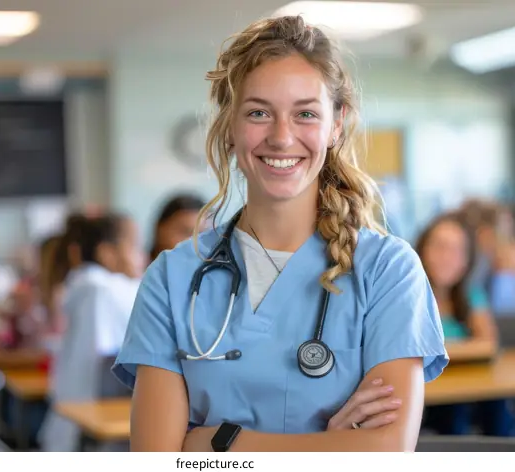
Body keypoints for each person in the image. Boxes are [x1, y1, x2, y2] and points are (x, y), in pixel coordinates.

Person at [113, 15, 448, 452]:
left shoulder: (387, 271)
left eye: (305, 113)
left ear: (336, 124)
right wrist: (326, 449)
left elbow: (384, 453)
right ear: (230, 125)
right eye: (258, 113)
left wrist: (221, 444)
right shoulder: (171, 280)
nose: (281, 136)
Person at [39, 213, 144, 451]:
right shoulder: (105, 290)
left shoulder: (83, 287)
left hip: (74, 424)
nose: (142, 256)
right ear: (107, 253)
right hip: (93, 429)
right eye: (134, 246)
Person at [416, 212, 513, 436]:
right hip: (428, 397)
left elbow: (488, 343)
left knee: (496, 406)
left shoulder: (471, 296)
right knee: (455, 413)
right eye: (440, 247)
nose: (447, 257)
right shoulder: (409, 298)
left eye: (457, 250)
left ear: (467, 260)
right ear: (422, 250)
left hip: (471, 393)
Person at [149, 193, 206, 263]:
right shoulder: (137, 271)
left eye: (203, 235)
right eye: (186, 232)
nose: (195, 244)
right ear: (160, 230)